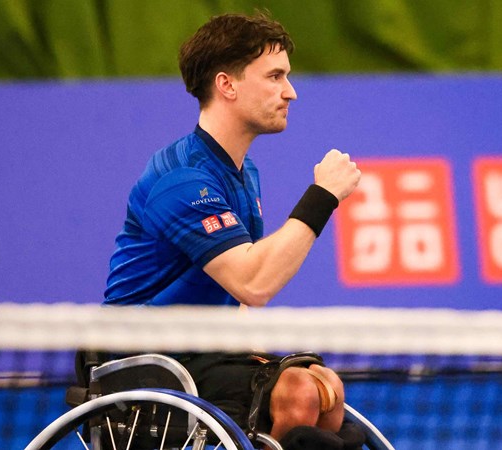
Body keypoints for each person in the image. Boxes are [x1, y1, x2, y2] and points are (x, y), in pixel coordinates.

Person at [103, 11, 361, 446]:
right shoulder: (182, 180)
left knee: (324, 389)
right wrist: (323, 197)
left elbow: (239, 299)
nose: (291, 92)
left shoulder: (244, 173)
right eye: (275, 76)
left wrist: (268, 356)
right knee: (298, 394)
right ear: (227, 85)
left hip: (203, 350)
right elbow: (253, 282)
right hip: (146, 360)